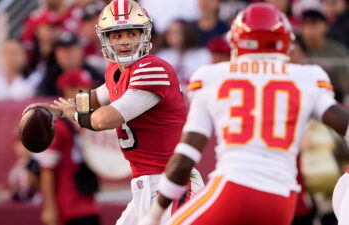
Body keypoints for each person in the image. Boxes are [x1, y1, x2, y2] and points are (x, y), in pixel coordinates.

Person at [138, 3, 349, 225]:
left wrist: (154, 214)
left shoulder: (214, 77)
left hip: (235, 187)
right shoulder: (306, 77)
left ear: (236, 41)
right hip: (282, 201)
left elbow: (185, 157)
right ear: (285, 42)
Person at [23, 1, 203, 225]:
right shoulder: (116, 71)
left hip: (173, 184)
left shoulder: (152, 68)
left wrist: (73, 114)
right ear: (106, 39)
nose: (125, 41)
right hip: (146, 188)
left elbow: (104, 119)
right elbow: (93, 98)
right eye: (117, 35)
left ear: (144, 34)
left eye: (131, 33)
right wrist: (58, 109)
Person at [35, 69, 101, 225]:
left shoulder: (83, 123)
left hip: (89, 203)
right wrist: (50, 206)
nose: (88, 94)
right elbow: (47, 169)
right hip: (69, 206)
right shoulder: (58, 127)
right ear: (69, 90)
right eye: (82, 89)